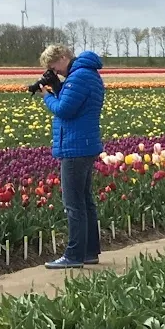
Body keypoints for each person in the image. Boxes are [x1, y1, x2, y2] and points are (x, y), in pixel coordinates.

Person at [36, 45, 106, 269]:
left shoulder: (79, 77)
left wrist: (47, 96)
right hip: (85, 143)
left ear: (64, 57)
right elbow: (74, 105)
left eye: (53, 66)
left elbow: (64, 110)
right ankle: (89, 252)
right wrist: (59, 88)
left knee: (73, 203)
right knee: (85, 201)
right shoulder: (88, 74)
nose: (54, 71)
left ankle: (74, 256)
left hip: (75, 146)